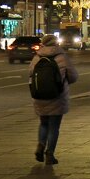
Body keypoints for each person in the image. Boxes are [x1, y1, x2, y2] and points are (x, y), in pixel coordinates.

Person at [29, 33, 79, 166]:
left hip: (40, 96)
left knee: (43, 123)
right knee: (54, 126)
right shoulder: (62, 57)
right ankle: (50, 154)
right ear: (56, 43)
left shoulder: (37, 57)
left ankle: (40, 145)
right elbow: (73, 76)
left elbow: (30, 74)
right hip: (58, 96)